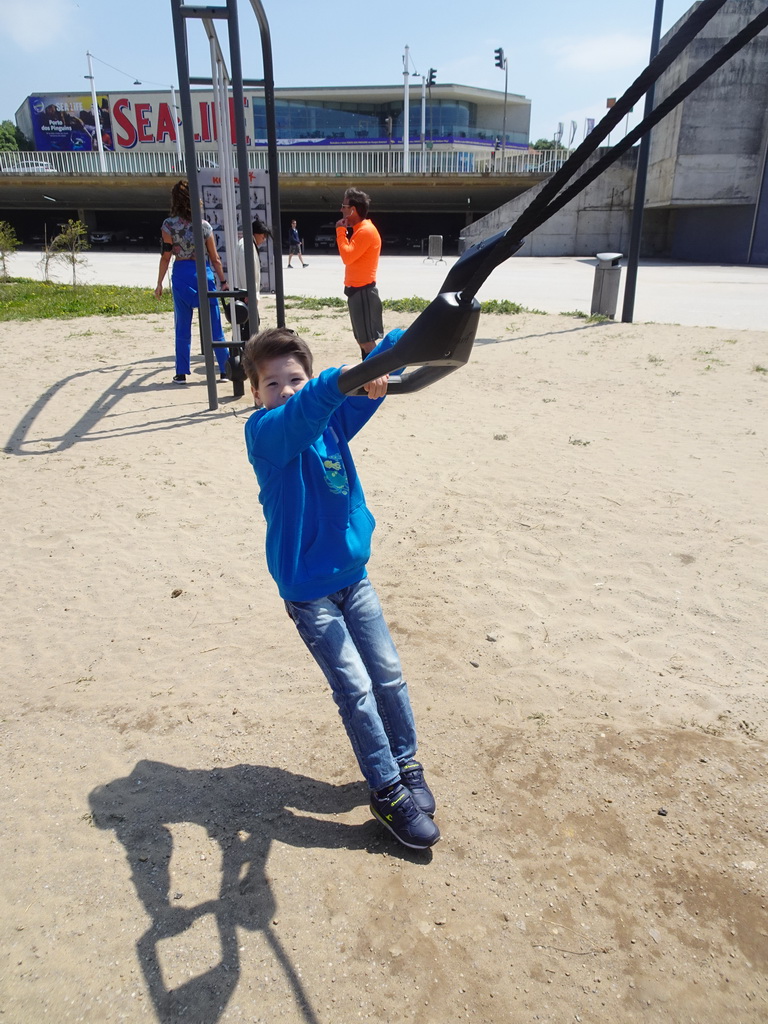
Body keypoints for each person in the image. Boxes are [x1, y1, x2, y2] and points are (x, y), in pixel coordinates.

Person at [242, 326, 440, 851]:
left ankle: (405, 761)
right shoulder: (266, 434)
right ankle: (386, 790)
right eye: (272, 383)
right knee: (354, 687)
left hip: (354, 578)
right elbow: (308, 409)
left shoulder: (327, 418)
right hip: (309, 590)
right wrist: (338, 382)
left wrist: (390, 355)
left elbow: (346, 396)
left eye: (295, 378)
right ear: (255, 394)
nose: (285, 389)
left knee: (389, 675)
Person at [154, 179, 230, 384]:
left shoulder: (168, 226)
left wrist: (159, 283)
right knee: (214, 324)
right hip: (203, 274)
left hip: (181, 274)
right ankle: (224, 369)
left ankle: (181, 372)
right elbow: (215, 258)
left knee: (182, 325)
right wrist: (223, 281)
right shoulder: (204, 226)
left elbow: (165, 256)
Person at [335, 188, 383, 358]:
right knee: (363, 339)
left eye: (344, 206)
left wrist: (340, 231)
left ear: (353, 209)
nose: (341, 210)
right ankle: (370, 378)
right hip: (358, 291)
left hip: (363, 291)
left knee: (367, 341)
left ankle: (376, 378)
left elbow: (347, 256)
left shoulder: (365, 231)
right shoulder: (361, 230)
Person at [233, 217, 272, 338]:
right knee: (249, 325)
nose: (264, 239)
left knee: (249, 324)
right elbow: (245, 272)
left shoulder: (248, 244)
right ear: (256, 233)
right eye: (263, 236)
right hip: (245, 293)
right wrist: (247, 293)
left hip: (246, 292)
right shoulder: (247, 246)